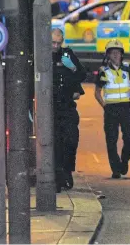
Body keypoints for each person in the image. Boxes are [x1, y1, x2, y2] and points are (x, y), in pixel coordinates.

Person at [94, 39, 130, 179]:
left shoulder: (129, 69)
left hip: (126, 107)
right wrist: (104, 105)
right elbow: (97, 92)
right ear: (108, 55)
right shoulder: (103, 71)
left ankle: (124, 160)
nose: (115, 55)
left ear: (122, 54)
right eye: (112, 53)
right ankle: (115, 169)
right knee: (111, 139)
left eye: (118, 53)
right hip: (110, 108)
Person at [52, 29, 86, 191]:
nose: (56, 46)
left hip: (67, 105)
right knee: (55, 142)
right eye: (53, 43)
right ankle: (58, 177)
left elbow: (82, 74)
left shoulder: (67, 54)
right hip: (50, 107)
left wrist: (72, 68)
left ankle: (67, 170)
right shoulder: (42, 54)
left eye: (59, 43)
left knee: (72, 139)